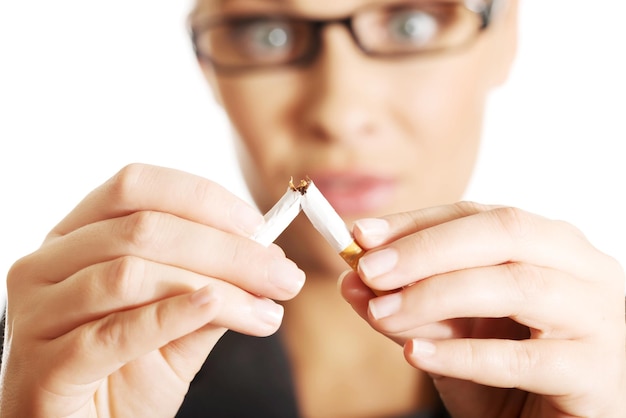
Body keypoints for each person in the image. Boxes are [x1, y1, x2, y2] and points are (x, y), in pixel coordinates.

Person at [1, 0, 624, 416]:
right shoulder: (74, 370)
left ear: (505, 32)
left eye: (410, 21)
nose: (337, 111)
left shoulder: (596, 374)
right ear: (207, 64)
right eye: (267, 31)